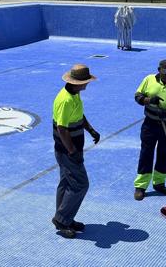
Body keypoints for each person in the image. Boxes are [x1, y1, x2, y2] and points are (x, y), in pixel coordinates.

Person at [51, 64, 101, 239]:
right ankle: (62, 219)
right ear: (78, 83)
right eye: (86, 81)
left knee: (66, 183)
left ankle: (65, 217)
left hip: (69, 150)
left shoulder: (74, 95)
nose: (88, 84)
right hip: (67, 151)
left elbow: (79, 116)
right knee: (80, 184)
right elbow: (62, 128)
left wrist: (91, 130)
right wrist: (72, 151)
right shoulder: (65, 100)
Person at [133, 59, 166, 200]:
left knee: (165, 153)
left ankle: (159, 183)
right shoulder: (149, 79)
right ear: (159, 70)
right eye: (164, 73)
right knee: (146, 153)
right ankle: (141, 186)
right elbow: (138, 97)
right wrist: (149, 100)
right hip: (150, 124)